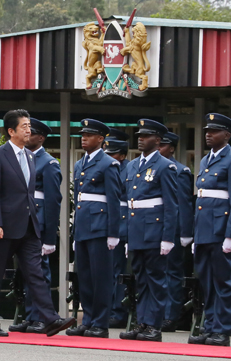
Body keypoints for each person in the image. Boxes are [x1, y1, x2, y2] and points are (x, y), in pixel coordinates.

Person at [0, 109, 75, 337]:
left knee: (35, 273)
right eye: (24, 126)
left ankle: (50, 318)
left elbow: (29, 193)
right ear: (11, 131)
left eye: (29, 126)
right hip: (5, 226)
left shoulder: (31, 157)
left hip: (29, 225)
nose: (28, 130)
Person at [188, 113, 231, 347]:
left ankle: (222, 329)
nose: (208, 134)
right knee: (207, 282)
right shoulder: (205, 161)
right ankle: (210, 325)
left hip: (221, 230)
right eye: (207, 130)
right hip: (205, 229)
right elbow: (202, 199)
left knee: (223, 282)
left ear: (227, 135)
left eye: (214, 131)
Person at [120, 119, 178, 342]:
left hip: (154, 231)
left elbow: (171, 205)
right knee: (140, 279)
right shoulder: (133, 165)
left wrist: (167, 237)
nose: (140, 139)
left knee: (156, 280)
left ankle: (154, 324)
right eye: (139, 136)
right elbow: (130, 203)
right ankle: (142, 322)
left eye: (146, 136)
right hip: (136, 230)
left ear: (158, 140)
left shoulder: (165, 166)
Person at [65, 119, 122, 338]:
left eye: (89, 135)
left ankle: (100, 322)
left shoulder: (108, 164)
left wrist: (113, 233)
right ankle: (87, 319)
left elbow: (114, 201)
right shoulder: (80, 164)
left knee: (101, 278)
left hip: (100, 228)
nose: (84, 138)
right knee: (85, 277)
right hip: (83, 227)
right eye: (83, 135)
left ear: (101, 139)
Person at [10, 117, 62, 334]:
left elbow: (53, 202)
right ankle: (31, 316)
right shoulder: (22, 158)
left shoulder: (48, 163)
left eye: (32, 132)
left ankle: (41, 317)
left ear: (41, 138)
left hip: (39, 226)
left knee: (40, 272)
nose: (27, 135)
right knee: (25, 272)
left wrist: (50, 238)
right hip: (23, 224)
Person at [158, 131, 194, 332]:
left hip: (172, 229)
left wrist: (185, 232)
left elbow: (184, 204)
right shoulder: (149, 168)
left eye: (163, 145)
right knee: (155, 273)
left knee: (172, 273)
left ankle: (171, 316)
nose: (159, 148)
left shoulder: (180, 171)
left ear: (171, 148)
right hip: (153, 227)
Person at [103, 137, 130, 328]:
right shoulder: (107, 167)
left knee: (118, 273)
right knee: (106, 272)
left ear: (121, 155)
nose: (108, 157)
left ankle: (118, 311)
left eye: (111, 154)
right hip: (105, 223)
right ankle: (107, 309)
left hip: (121, 225)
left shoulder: (127, 169)